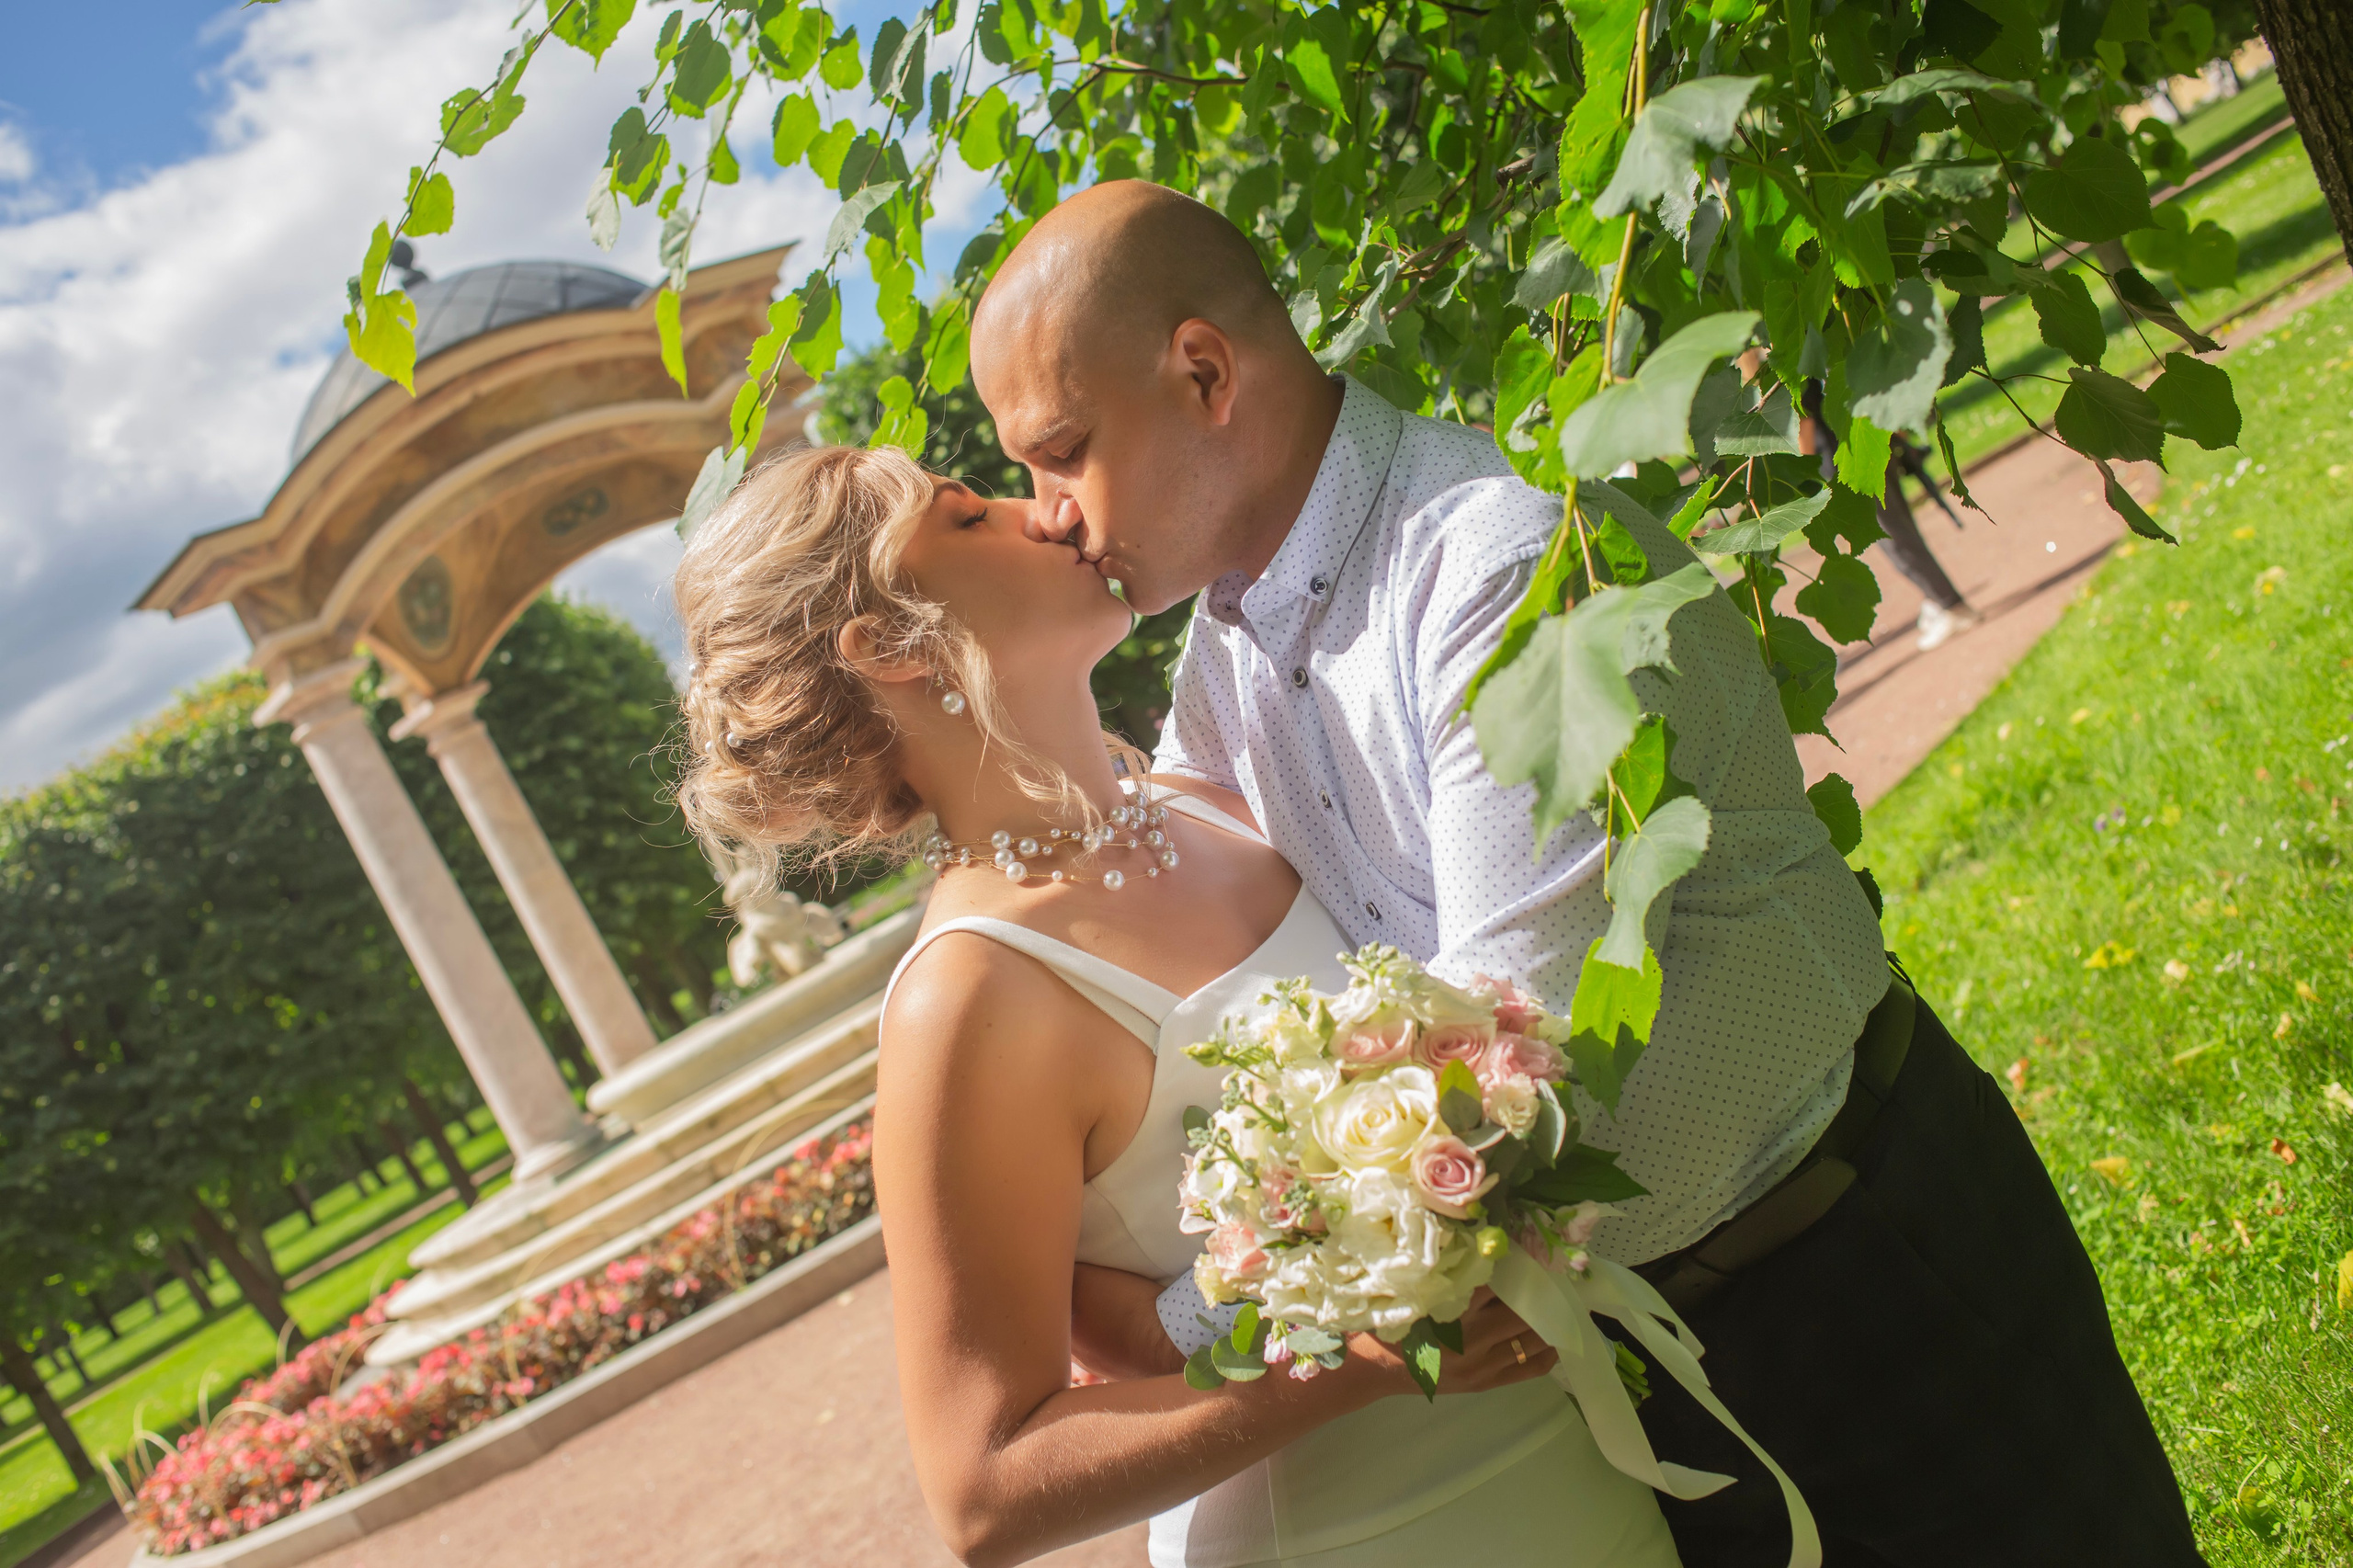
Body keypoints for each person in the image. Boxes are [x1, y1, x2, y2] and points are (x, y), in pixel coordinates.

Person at [969, 180, 2202, 1566]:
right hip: (1629, 1365)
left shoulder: (1496, 568)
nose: (1049, 513)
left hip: (1862, 1267)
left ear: (1204, 373)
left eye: (1061, 453)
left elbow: (1513, 1055)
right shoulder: (1223, 662)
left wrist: (1165, 1321)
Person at [672, 445, 1683, 1567]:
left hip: (1574, 1465)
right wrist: (1347, 1367)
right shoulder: (969, 996)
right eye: (966, 516)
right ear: (892, 646)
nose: (1043, 508)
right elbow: (982, 1490)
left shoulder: (1221, 793)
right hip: (1349, 1533)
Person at [1798, 381, 1982, 651]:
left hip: (1850, 463)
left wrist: (1804, 473)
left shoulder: (1790, 372)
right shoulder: (1812, 360)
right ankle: (1937, 599)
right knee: (1900, 529)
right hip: (1871, 442)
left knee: (1893, 536)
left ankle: (1951, 606)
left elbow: (1804, 421)